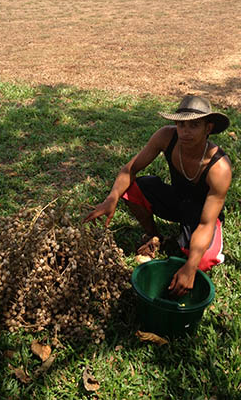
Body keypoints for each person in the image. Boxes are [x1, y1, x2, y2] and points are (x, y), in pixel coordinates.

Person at [84, 95, 232, 297]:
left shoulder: (219, 168)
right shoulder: (166, 137)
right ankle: (154, 236)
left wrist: (190, 267)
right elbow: (130, 170)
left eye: (194, 125)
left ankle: (186, 243)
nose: (185, 132)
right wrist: (111, 198)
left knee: (202, 261)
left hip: (201, 213)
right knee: (132, 188)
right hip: (176, 199)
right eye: (181, 125)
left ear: (208, 128)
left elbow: (206, 224)